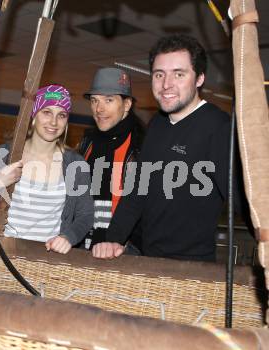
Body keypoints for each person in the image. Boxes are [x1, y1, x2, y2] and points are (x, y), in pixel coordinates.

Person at [93, 34, 233, 262]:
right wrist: (114, 239)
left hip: (190, 266)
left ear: (199, 78)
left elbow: (245, 201)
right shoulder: (158, 122)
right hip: (146, 256)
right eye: (159, 75)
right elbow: (137, 189)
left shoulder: (218, 127)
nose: (166, 84)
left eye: (179, 74)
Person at [0, 84, 94, 254]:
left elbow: (86, 215)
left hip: (46, 257)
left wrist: (69, 237)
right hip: (4, 253)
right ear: (34, 114)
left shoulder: (75, 164)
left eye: (61, 115)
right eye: (46, 112)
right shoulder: (5, 155)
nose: (54, 122)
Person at [76, 67, 144, 252]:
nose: (99, 109)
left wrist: (126, 245)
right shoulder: (87, 143)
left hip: (123, 250)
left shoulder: (142, 146)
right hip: (81, 244)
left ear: (127, 104)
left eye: (109, 100)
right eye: (94, 100)